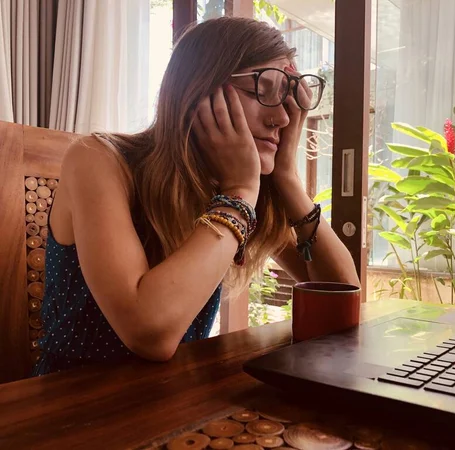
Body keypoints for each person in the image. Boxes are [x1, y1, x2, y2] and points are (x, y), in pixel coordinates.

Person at [33, 16, 359, 376]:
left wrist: (287, 177)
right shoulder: (98, 159)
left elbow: (342, 300)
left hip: (175, 398)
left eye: (289, 99)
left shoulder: (234, 186)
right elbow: (149, 333)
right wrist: (238, 193)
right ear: (200, 90)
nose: (282, 118)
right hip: (73, 408)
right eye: (263, 89)